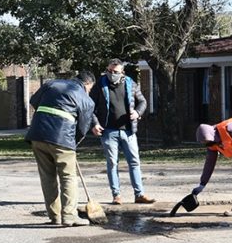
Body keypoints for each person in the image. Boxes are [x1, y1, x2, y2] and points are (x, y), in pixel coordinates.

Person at [26, 71, 103, 227]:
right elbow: (83, 127)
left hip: (37, 134)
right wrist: (73, 144)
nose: (89, 91)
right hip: (61, 137)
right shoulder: (86, 99)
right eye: (90, 88)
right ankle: (69, 216)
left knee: (47, 177)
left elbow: (34, 101)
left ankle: (54, 216)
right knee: (68, 177)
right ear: (88, 84)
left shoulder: (51, 84)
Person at [91, 59, 155, 205]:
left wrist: (137, 113)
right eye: (109, 71)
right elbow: (90, 107)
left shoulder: (131, 83)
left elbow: (143, 102)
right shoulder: (100, 84)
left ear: (122, 73)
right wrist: (95, 123)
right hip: (108, 131)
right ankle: (116, 195)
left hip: (129, 131)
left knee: (134, 162)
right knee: (112, 163)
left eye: (115, 72)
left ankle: (139, 194)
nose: (111, 74)